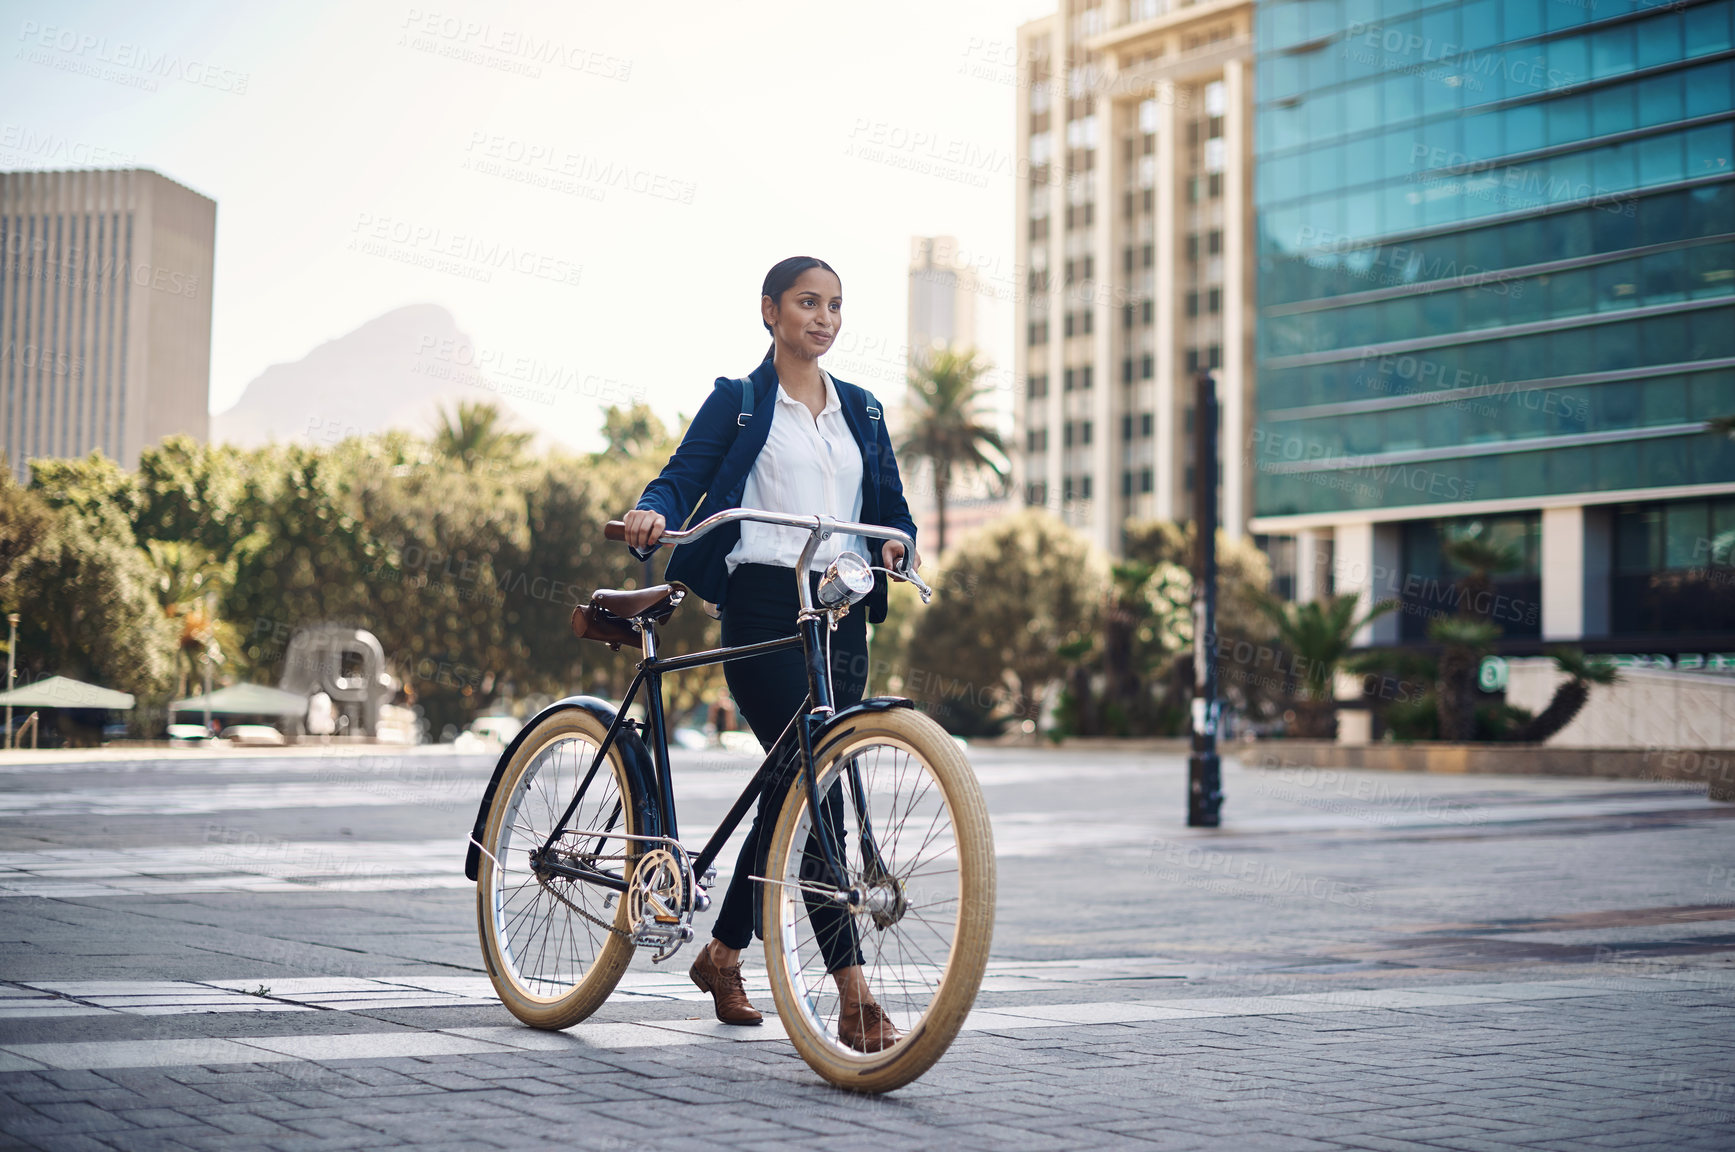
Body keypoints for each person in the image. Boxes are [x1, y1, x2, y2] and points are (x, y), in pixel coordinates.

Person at [620, 256, 918, 1053]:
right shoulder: (742, 399)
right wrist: (653, 511)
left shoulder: (863, 408)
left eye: (835, 306)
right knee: (818, 796)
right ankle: (854, 1001)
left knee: (798, 786)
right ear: (770, 311)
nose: (824, 318)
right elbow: (681, 477)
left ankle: (720, 954)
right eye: (807, 303)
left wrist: (897, 544)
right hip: (761, 608)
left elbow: (890, 509)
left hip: (841, 614)